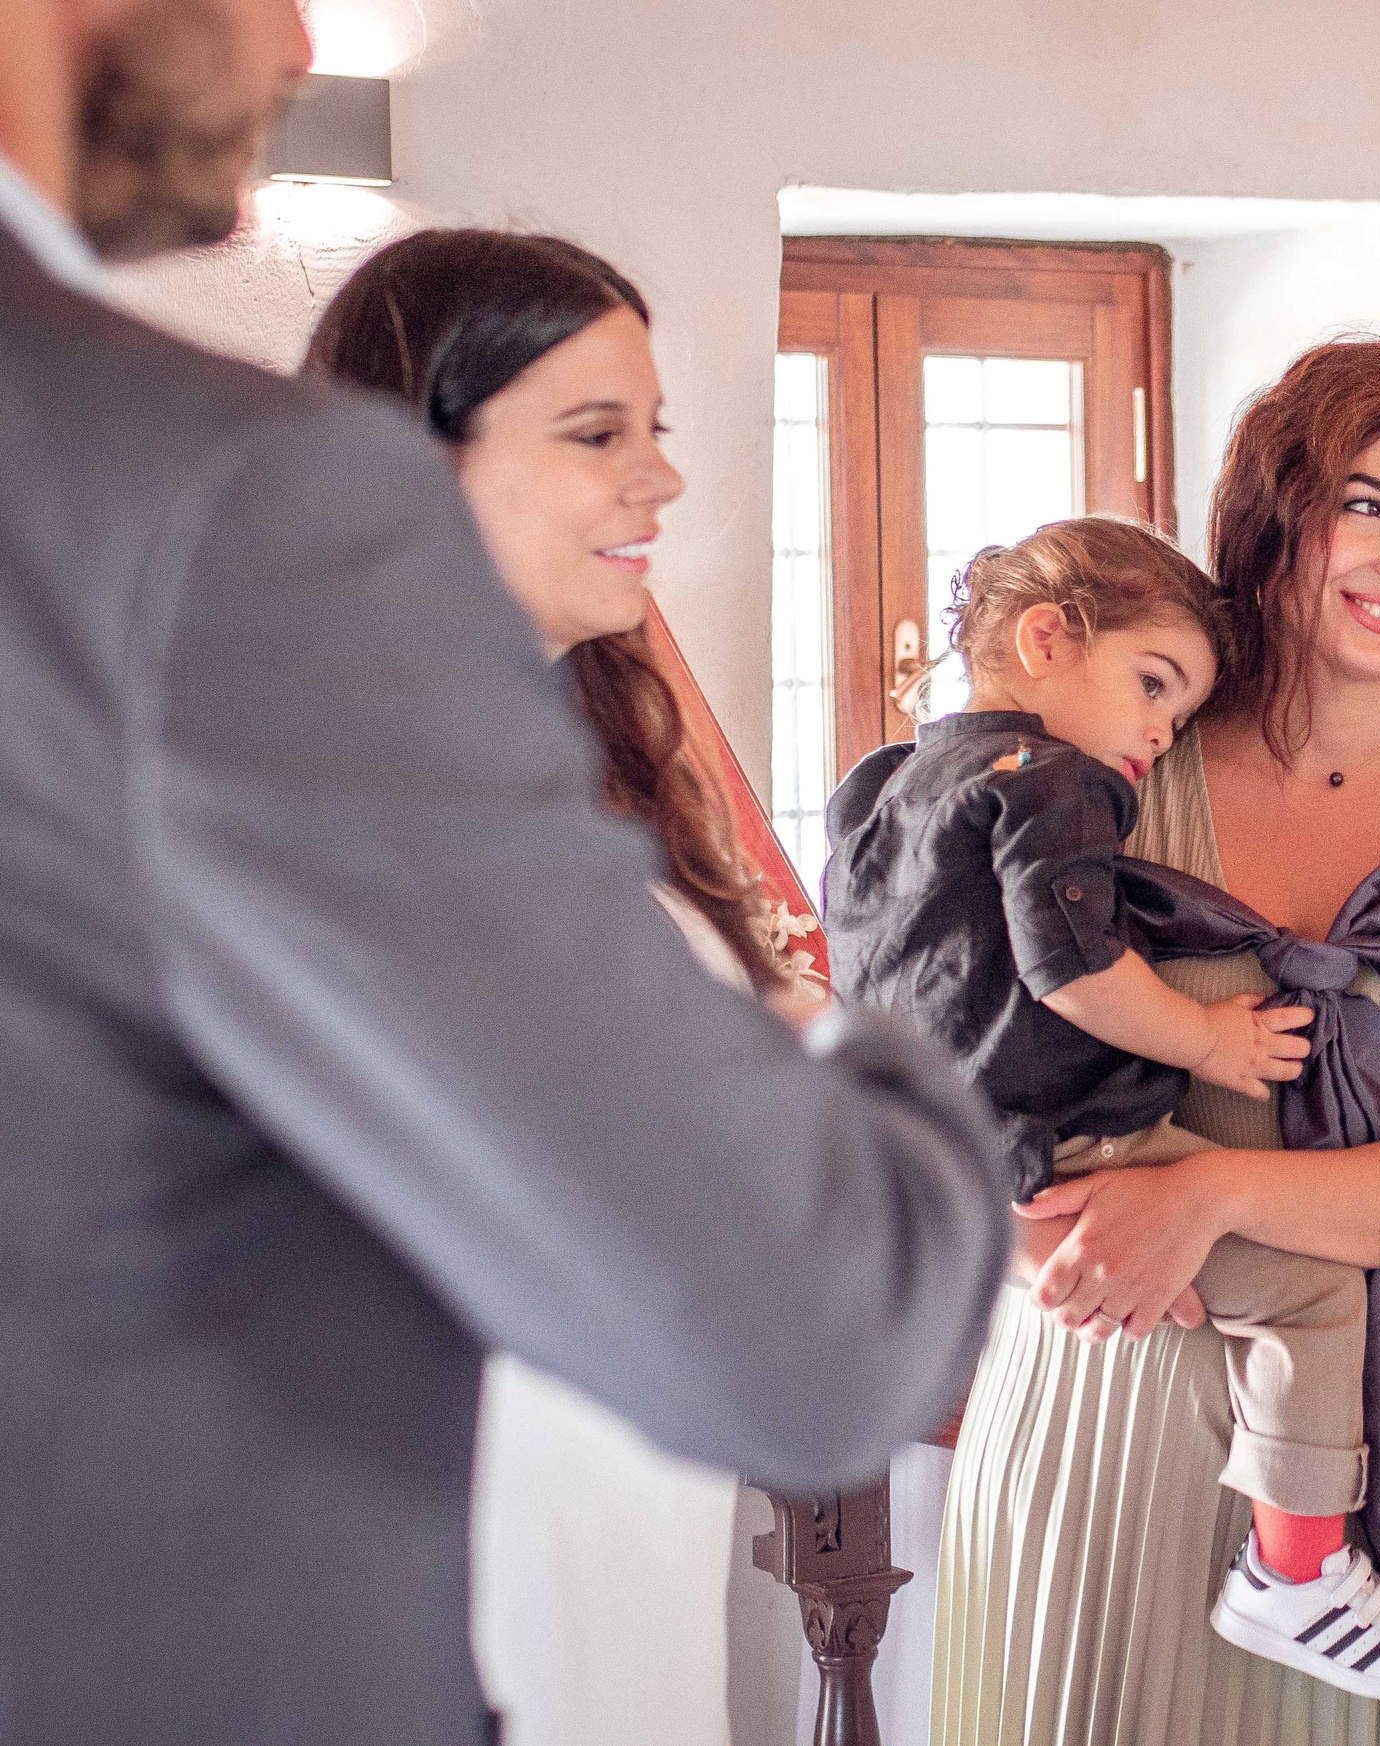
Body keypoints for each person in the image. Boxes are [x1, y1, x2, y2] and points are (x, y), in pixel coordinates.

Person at [0, 7, 1010, 1742]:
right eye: (593, 432)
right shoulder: (211, 507)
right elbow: (809, 1319)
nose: (298, 36)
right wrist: (874, 1053)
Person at [930, 339, 1380, 1746]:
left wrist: (1206, 1194)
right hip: (1090, 1407)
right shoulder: (1108, 762)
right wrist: (1049, 1242)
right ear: (1275, 518)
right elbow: (931, 1073)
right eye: (1368, 505)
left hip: (1357, 1499)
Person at [304, 227, 825, 1746]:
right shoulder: (322, 777)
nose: (660, 478)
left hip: (627, 1476)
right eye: (597, 434)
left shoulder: (586, 740)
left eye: (654, 428)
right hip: (453, 1492)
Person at [825, 516, 1380, 1702]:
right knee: (1317, 1292)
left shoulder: (878, 790)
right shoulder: (1054, 781)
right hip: (1076, 1140)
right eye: (1153, 684)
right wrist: (1209, 1039)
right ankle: (1295, 1571)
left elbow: (859, 981)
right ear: (1046, 639)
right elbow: (1073, 965)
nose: (1161, 733)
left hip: (937, 1154)